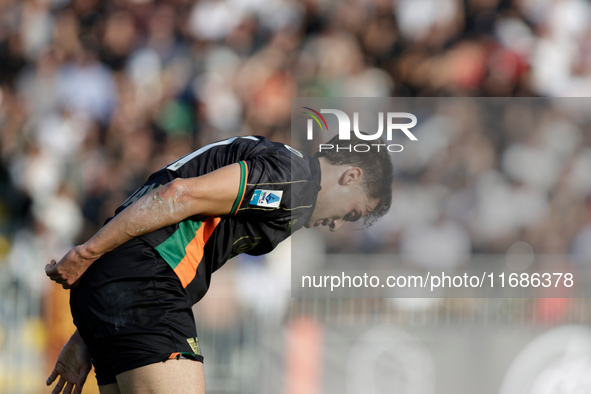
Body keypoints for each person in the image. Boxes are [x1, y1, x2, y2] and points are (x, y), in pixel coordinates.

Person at [45, 134, 393, 394]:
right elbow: (177, 195)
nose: (337, 224)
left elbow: (162, 231)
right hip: (144, 283)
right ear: (350, 176)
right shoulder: (297, 181)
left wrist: (90, 332)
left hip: (126, 287)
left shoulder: (281, 167)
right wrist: (87, 252)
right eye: (352, 213)